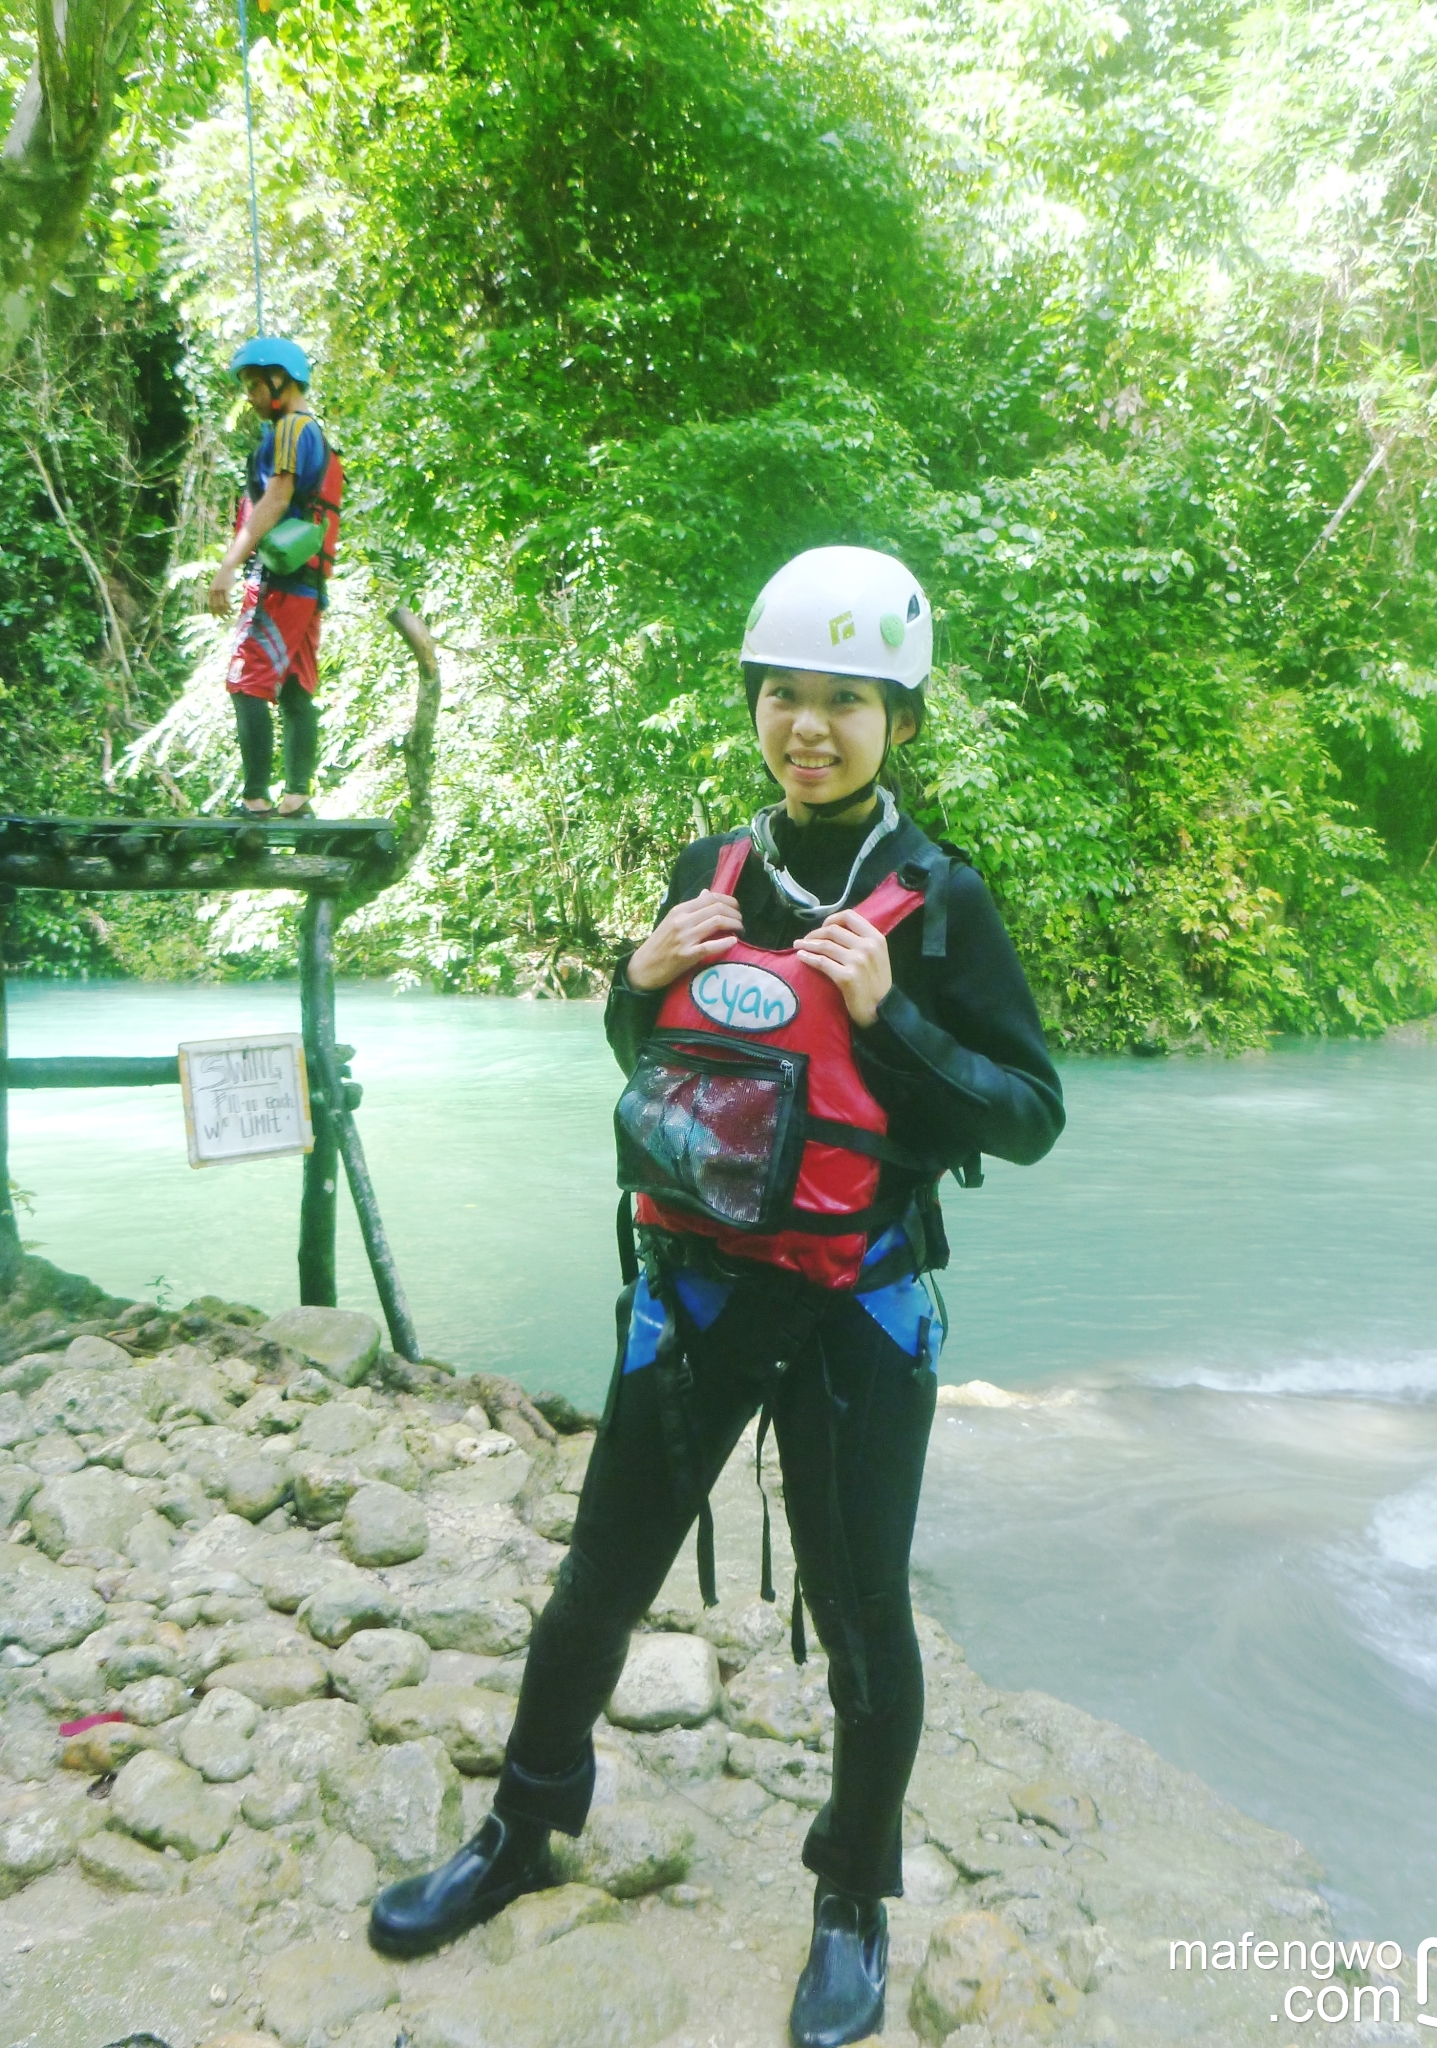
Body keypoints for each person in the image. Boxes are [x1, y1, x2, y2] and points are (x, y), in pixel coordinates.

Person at [367, 545, 1065, 2048]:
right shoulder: (712, 870)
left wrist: (889, 1019)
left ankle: (853, 1898)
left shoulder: (941, 902)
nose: (808, 726)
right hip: (691, 1301)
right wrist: (631, 980)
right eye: (784, 697)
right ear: (756, 704)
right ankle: (522, 1825)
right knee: (595, 1589)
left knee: (864, 1620)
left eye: (844, 702)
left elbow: (1026, 1113)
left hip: (859, 1312)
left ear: (899, 720)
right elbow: (676, 1086)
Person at [207, 336, 343, 819]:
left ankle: (255, 800)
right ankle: (298, 795)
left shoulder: (291, 429)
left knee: (247, 682)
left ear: (279, 381)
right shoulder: (316, 434)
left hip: (279, 582)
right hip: (309, 584)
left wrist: (228, 564)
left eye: (252, 384)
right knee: (296, 688)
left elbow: (275, 501)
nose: (249, 396)